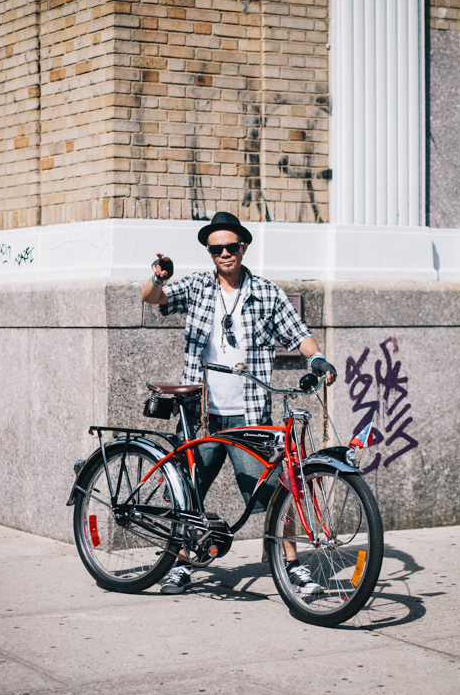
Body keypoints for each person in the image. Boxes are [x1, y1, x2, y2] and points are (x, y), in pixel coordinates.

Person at [141, 211, 337, 594]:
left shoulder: (266, 292)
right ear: (210, 252)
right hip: (203, 414)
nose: (224, 254)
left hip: (250, 416)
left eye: (231, 247)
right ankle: (182, 562)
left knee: (277, 492)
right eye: (216, 249)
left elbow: (300, 335)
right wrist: (156, 278)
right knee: (190, 490)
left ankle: (291, 564)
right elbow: (153, 298)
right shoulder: (198, 286)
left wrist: (317, 359)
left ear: (243, 247)